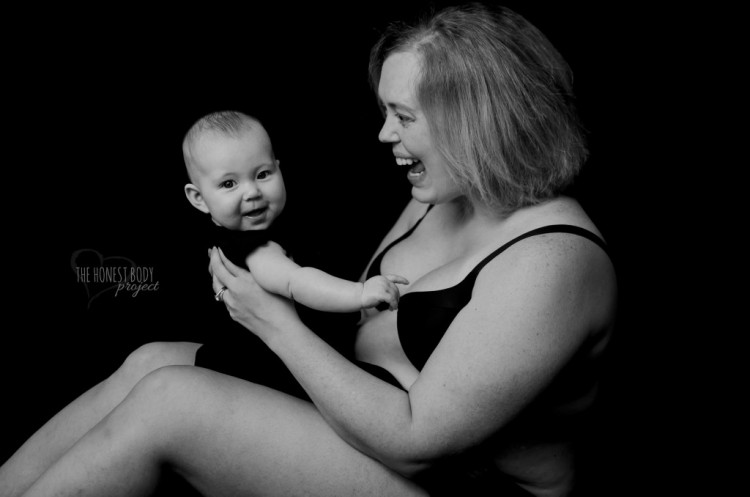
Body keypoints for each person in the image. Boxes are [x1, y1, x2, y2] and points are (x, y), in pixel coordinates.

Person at [0, 3, 616, 496]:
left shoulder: (552, 259)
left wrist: (273, 322)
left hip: (458, 480)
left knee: (172, 403)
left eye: (403, 115)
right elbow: (358, 325)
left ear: (476, 120)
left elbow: (418, 438)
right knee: (153, 361)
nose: (384, 134)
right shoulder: (443, 194)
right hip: (366, 417)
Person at [182, 110, 407, 313]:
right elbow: (296, 282)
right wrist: (359, 293)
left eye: (262, 174)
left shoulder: (265, 227)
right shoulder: (254, 249)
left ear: (278, 168)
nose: (252, 192)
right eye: (229, 184)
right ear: (199, 198)